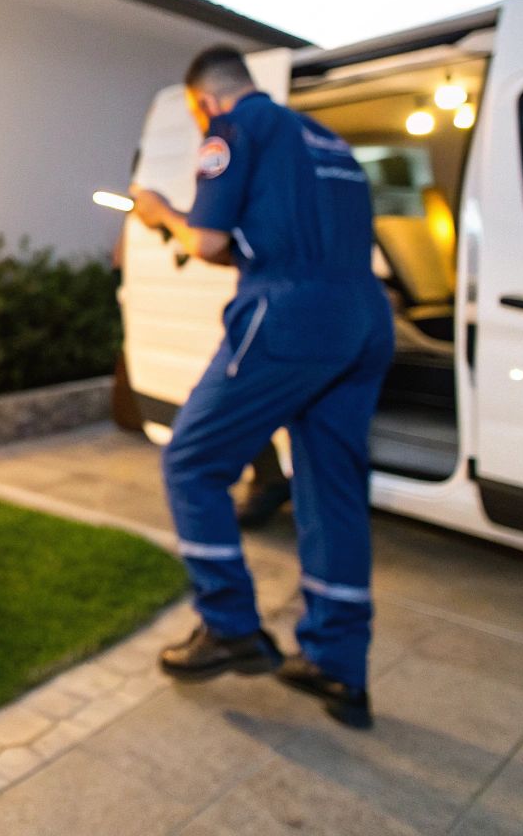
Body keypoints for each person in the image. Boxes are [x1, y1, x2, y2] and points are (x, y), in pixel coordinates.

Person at [129, 45, 392, 729]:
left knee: (192, 461)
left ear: (202, 100)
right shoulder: (327, 141)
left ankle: (230, 625)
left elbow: (210, 243)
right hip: (362, 320)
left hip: (288, 320)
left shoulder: (235, 129)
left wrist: (160, 215)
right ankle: (338, 663)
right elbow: (286, 240)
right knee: (331, 486)